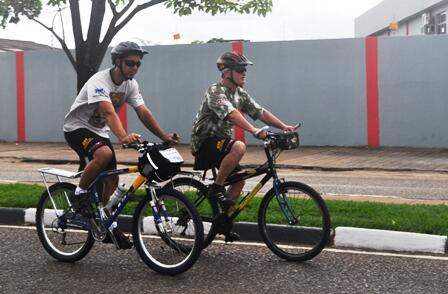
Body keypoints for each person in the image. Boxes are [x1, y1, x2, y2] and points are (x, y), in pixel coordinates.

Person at [63, 41, 179, 248]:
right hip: (76, 128)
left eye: (138, 64)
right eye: (130, 63)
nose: (134, 68)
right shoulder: (99, 81)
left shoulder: (131, 84)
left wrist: (164, 137)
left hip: (98, 131)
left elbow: (143, 112)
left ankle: (105, 222)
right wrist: (124, 136)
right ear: (117, 62)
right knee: (104, 154)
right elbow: (109, 112)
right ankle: (79, 195)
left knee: (112, 180)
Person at [190, 51, 295, 239]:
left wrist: (283, 126)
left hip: (222, 144)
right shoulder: (215, 90)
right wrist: (254, 130)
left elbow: (260, 111)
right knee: (239, 146)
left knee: (239, 181)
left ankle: (222, 223)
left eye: (245, 69)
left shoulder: (240, 93)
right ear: (226, 72)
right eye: (240, 69)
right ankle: (216, 188)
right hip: (205, 141)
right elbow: (232, 114)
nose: (244, 73)